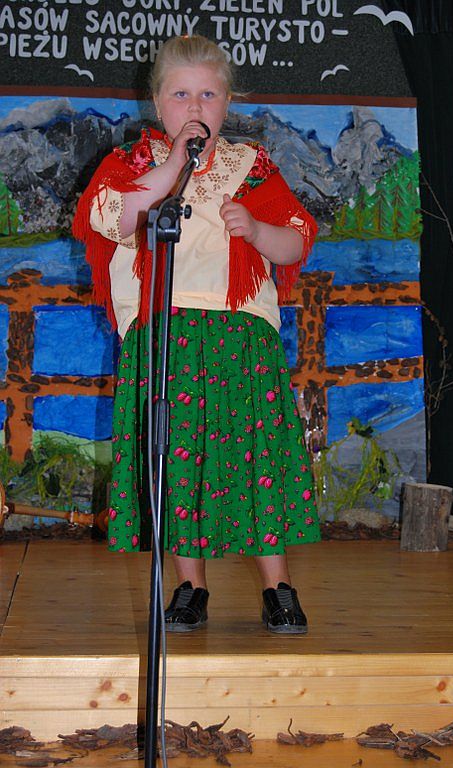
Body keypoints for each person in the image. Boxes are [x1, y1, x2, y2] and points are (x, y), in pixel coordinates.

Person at [73, 35, 320, 635]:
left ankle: (278, 586)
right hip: (165, 336)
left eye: (208, 95)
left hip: (241, 337)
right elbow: (110, 217)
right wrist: (172, 167)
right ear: (158, 103)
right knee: (177, 459)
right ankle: (190, 586)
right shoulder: (135, 165)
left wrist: (257, 231)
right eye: (181, 94)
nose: (194, 106)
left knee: (255, 458)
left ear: (226, 103)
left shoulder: (250, 166)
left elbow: (297, 240)